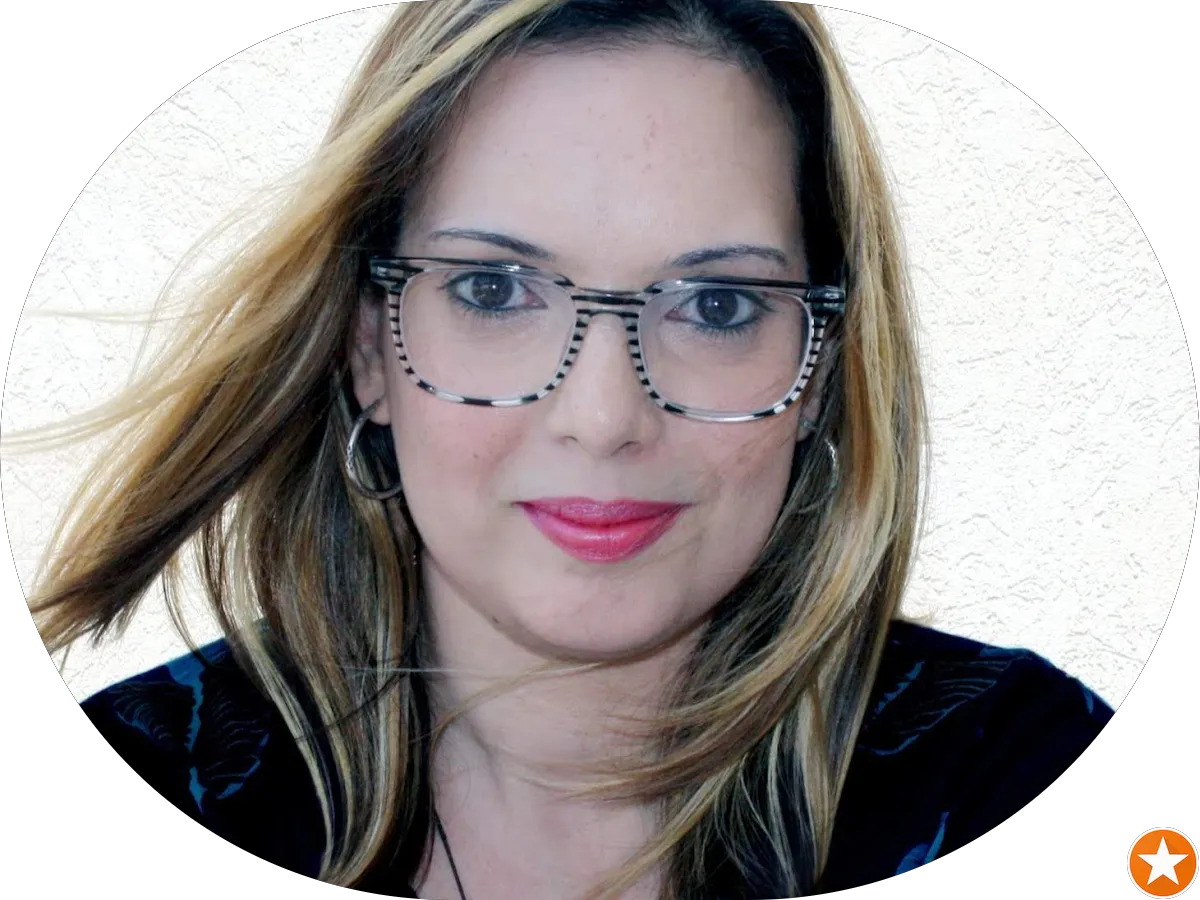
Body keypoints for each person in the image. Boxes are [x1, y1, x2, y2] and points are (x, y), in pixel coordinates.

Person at [16, 1, 1112, 897]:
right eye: (495, 290)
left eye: (717, 305)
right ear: (367, 347)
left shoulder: (1023, 774)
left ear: (818, 369)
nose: (603, 416)